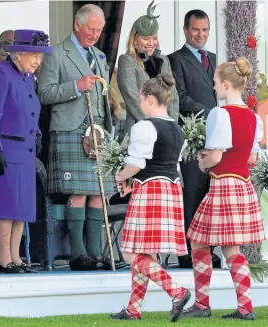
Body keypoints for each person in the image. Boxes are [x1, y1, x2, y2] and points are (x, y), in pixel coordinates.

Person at [183, 57, 265, 320]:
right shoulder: (253, 117)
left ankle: (208, 305)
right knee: (219, 245)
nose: (214, 87)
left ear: (227, 84)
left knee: (207, 243)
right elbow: (252, 159)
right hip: (242, 185)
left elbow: (216, 156)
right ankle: (237, 306)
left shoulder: (221, 113)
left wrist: (203, 162)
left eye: (216, 82)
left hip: (223, 184)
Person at [38, 4, 115, 271]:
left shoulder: (101, 57)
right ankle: (77, 254)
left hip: (97, 133)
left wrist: (109, 127)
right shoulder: (56, 54)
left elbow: (103, 98)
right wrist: (75, 86)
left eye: (99, 30)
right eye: (91, 29)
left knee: (98, 193)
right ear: (77, 24)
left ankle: (95, 253)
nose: (95, 34)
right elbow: (44, 93)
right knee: (79, 192)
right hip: (69, 129)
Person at [111, 73, 190, 321]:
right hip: (170, 190)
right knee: (147, 253)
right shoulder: (177, 129)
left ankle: (177, 292)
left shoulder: (144, 127)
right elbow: (169, 164)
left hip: (151, 191)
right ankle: (134, 309)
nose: (140, 104)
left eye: (141, 99)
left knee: (130, 253)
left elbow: (136, 164)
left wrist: (120, 176)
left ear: (149, 99)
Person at [0, 29, 52, 274]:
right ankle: (3, 258)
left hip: (25, 149)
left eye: (41, 57)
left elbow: (32, 109)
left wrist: (39, 134)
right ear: (19, 53)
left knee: (22, 207)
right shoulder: (0, 73)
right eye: (35, 56)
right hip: (5, 149)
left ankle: (16, 257)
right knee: (7, 206)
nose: (38, 61)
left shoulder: (28, 77)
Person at [167, 10, 217, 268]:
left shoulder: (215, 59)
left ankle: (208, 250)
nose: (201, 35)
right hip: (190, 136)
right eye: (196, 30)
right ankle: (187, 251)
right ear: (186, 30)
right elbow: (181, 98)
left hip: (215, 139)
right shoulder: (175, 60)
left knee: (211, 194)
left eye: (205, 30)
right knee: (192, 194)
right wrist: (212, 113)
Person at [117, 1, 179, 138]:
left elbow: (173, 97)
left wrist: (171, 126)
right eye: (146, 39)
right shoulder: (127, 61)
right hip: (138, 129)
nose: (151, 43)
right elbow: (132, 98)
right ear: (135, 39)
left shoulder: (164, 61)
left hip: (165, 132)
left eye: (154, 38)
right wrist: (154, 127)